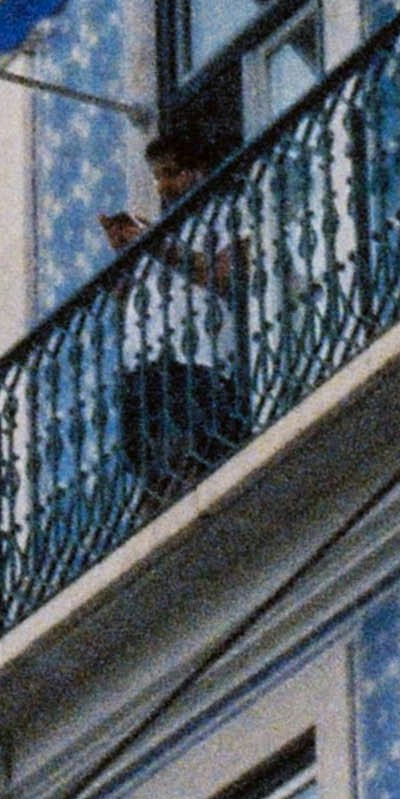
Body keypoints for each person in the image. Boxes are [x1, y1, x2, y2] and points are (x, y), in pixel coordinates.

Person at [105, 81, 255, 503]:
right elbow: (125, 299)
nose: (162, 186)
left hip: (200, 360)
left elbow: (224, 276)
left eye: (171, 173)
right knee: (150, 453)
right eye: (157, 176)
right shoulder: (164, 233)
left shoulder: (228, 213)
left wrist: (156, 246)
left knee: (195, 449)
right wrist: (124, 255)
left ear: (198, 170)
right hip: (146, 363)